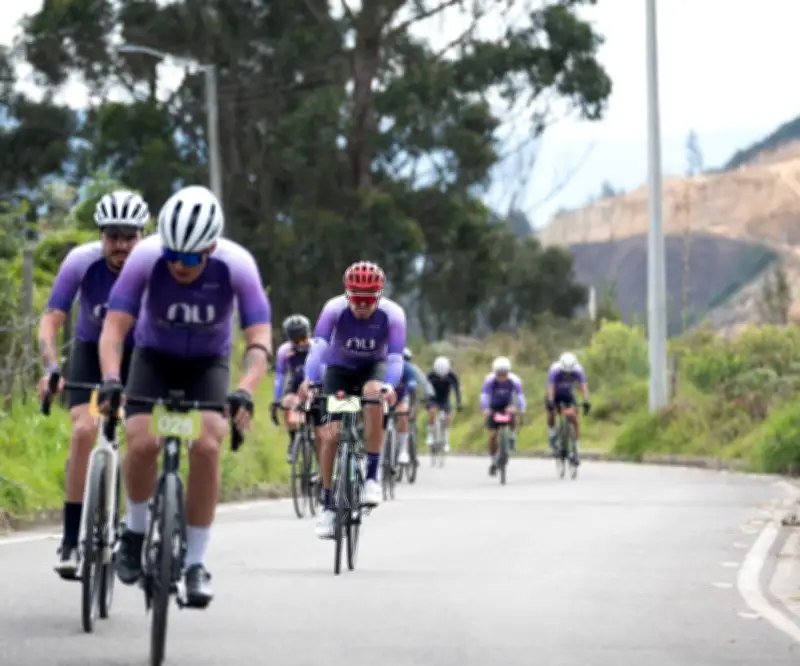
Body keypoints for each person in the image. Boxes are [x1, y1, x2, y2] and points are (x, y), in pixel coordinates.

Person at [97, 185, 272, 608]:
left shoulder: (238, 266)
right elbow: (115, 329)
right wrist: (111, 377)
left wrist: (245, 390)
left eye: (191, 258)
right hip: (153, 358)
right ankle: (136, 530)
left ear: (211, 248)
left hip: (206, 365)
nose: (179, 265)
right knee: (139, 439)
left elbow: (259, 340)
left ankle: (195, 562)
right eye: (173, 254)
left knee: (209, 443)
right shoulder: (145, 258)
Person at [36, 190, 149, 579]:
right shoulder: (80, 263)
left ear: (142, 235)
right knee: (84, 430)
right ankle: (70, 540)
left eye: (129, 236)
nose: (120, 245)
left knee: (140, 436)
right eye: (112, 235)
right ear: (101, 235)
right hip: (88, 349)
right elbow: (52, 320)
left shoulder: (154, 268)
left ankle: (132, 525)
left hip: (141, 354)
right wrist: (51, 366)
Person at [297, 260, 406, 539]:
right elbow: (319, 345)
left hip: (374, 368)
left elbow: (394, 357)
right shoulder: (333, 309)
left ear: (379, 296)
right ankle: (328, 505)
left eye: (368, 299)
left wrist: (389, 386)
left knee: (373, 396)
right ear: (347, 294)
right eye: (355, 298)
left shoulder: (393, 315)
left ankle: (371, 476)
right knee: (331, 435)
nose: (361, 305)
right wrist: (311, 379)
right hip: (340, 371)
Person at [270, 314, 320, 462]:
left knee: (320, 430)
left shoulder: (317, 348)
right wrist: (277, 400)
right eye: (295, 340)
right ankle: (293, 442)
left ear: (309, 334)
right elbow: (280, 376)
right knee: (288, 404)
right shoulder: (284, 351)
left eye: (303, 338)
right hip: (296, 386)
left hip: (316, 386)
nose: (300, 343)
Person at [479, 356, 526, 476]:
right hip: (493, 407)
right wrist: (485, 408)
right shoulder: (489, 380)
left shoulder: (514, 380)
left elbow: (520, 396)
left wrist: (521, 408)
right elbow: (484, 395)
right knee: (492, 436)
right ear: (495, 373)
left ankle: (513, 436)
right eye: (499, 374)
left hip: (507, 405)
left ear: (508, 373)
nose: (502, 377)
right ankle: (493, 459)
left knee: (513, 412)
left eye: (504, 374)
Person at [546, 351, 591, 465]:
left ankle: (575, 447)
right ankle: (551, 433)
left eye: (569, 373)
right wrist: (551, 401)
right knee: (551, 413)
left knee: (575, 418)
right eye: (564, 373)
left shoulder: (578, 370)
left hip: (568, 394)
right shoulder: (555, 370)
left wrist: (586, 401)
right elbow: (551, 387)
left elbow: (583, 386)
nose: (567, 375)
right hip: (555, 394)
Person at [426, 356, 463, 452]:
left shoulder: (452, 376)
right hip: (433, 397)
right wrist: (425, 399)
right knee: (432, 412)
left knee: (447, 417)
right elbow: (425, 387)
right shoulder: (430, 375)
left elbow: (457, 390)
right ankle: (430, 435)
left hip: (444, 398)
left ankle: (446, 441)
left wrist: (459, 402)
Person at [392, 352, 418, 466]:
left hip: (402, 398)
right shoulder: (383, 365)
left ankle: (403, 450)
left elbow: (413, 391)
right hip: (385, 398)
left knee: (402, 413)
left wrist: (412, 408)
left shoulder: (408, 369)